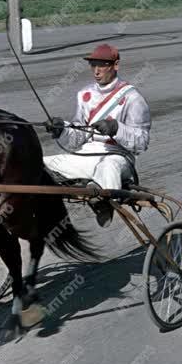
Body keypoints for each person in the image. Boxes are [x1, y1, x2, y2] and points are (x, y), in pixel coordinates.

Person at [43, 44, 151, 227]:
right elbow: (78, 136)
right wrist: (61, 128)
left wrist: (116, 128)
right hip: (88, 153)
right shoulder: (84, 94)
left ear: (115, 65)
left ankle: (102, 203)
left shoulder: (133, 98)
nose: (96, 71)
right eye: (93, 65)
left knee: (107, 167)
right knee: (41, 164)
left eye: (102, 65)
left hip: (118, 155)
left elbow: (142, 142)